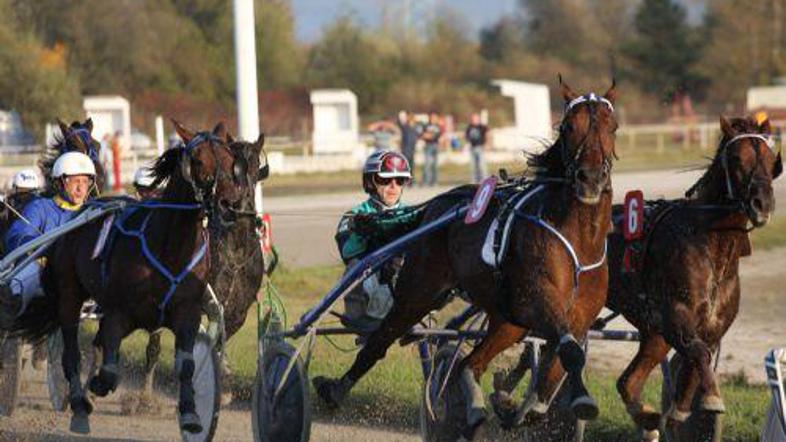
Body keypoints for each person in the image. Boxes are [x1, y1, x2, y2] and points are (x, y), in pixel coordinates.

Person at [0, 152, 96, 328]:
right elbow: (17, 234)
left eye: (85, 182)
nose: (81, 189)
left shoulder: (95, 212)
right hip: (45, 273)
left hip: (84, 274)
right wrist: (36, 247)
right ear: (60, 182)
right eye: (75, 181)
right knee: (32, 266)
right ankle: (12, 302)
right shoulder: (40, 207)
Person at [335, 150, 416, 332]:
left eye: (399, 180)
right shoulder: (355, 215)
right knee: (355, 265)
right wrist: (362, 233)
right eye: (385, 180)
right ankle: (358, 316)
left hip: (403, 289)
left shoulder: (412, 214)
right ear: (371, 182)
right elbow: (347, 253)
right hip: (368, 289)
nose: (393, 186)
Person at [465, 113, 489, 183]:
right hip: (472, 148)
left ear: (478, 119)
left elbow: (488, 134)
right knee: (473, 166)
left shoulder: (482, 127)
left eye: (476, 119)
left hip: (480, 147)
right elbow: (467, 136)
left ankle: (484, 180)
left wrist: (487, 144)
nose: (474, 120)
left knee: (482, 165)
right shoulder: (469, 127)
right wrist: (467, 144)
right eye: (473, 119)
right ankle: (475, 181)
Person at [397, 111, 419, 186]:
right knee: (405, 167)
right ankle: (403, 181)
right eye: (410, 118)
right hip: (405, 150)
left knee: (412, 166)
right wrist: (402, 115)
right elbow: (399, 122)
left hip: (412, 150)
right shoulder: (405, 127)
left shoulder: (415, 128)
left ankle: (411, 182)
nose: (412, 120)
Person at [421, 111, 442, 187]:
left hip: (435, 146)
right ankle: (426, 181)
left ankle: (434, 182)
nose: (433, 119)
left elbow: (438, 136)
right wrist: (430, 135)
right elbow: (423, 135)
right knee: (427, 164)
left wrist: (430, 135)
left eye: (435, 117)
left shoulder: (438, 126)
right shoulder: (426, 126)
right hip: (428, 146)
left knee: (435, 165)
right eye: (432, 117)